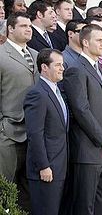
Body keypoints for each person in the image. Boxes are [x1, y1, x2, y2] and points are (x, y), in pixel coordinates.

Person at [62, 24, 102, 215]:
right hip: (88, 151)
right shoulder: (75, 69)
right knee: (85, 206)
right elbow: (81, 110)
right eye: (99, 40)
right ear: (86, 42)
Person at [0, 12, 39, 212]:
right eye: (23, 26)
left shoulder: (36, 55)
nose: (28, 29)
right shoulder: (1, 54)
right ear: (10, 29)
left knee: (28, 188)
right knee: (6, 185)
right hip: (8, 131)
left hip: (33, 132)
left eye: (30, 26)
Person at [24, 48, 68, 215]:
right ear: (44, 67)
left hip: (60, 166)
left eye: (62, 65)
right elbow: (35, 135)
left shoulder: (57, 91)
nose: (62, 68)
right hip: (46, 169)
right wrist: (43, 166)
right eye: (57, 65)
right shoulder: (37, 94)